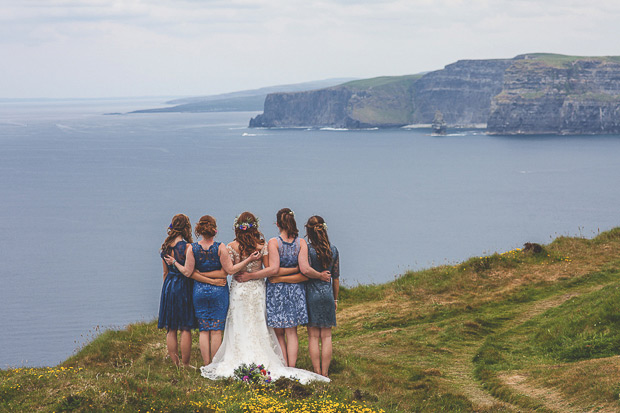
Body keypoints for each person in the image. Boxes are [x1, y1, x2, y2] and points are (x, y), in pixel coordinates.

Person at [200, 211, 329, 384]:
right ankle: (275, 361)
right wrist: (255, 271)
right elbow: (270, 270)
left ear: (237, 227)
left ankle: (239, 356)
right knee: (258, 324)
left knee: (240, 324)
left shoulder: (231, 246)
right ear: (255, 226)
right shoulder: (262, 245)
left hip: (239, 289)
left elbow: (231, 270)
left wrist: (245, 272)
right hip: (257, 289)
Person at [164, 215, 260, 365]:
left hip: (199, 291)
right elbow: (229, 270)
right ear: (215, 230)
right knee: (216, 329)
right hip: (219, 290)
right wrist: (248, 260)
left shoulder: (193, 248)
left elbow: (188, 272)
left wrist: (175, 263)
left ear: (199, 230)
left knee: (204, 329)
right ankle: (214, 364)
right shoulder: (220, 247)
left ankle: (206, 363)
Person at [262, 208, 310, 367]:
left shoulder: (274, 242)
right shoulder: (301, 242)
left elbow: (274, 270)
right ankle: (292, 366)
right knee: (292, 332)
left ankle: (283, 365)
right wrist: (295, 269)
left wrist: (279, 277)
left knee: (279, 332)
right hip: (296, 289)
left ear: (277, 224)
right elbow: (302, 269)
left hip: (277, 291)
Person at [299, 215, 340, 377]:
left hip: (311, 295)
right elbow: (336, 278)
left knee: (313, 336)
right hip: (327, 295)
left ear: (308, 231)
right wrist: (335, 299)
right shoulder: (333, 250)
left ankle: (316, 372)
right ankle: (325, 373)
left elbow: (305, 271)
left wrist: (316, 275)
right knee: (327, 336)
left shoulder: (308, 250)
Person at [158, 214, 195, 367]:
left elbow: (165, 272)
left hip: (169, 285)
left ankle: (175, 363)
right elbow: (189, 271)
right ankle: (185, 364)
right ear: (186, 227)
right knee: (185, 327)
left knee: (171, 328)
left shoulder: (165, 247)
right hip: (183, 285)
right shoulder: (187, 247)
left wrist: (166, 289)